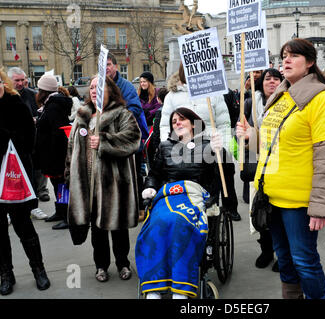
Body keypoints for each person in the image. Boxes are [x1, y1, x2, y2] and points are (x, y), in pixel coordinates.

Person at [237, 38, 325, 299]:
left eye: (294, 55)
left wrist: (320, 207)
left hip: (299, 201)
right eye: (284, 55)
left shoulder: (322, 99)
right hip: (271, 196)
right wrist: (251, 135)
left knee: (305, 262)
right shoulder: (280, 95)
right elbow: (271, 143)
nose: (286, 59)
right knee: (284, 262)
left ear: (310, 63)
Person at [136, 107, 221, 299]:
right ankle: (154, 287)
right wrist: (149, 188)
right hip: (168, 195)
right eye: (174, 121)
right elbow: (155, 175)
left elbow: (216, 179)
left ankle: (181, 288)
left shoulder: (207, 145)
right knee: (157, 223)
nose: (178, 124)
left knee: (180, 223)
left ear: (193, 123)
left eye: (182, 120)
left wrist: (219, 153)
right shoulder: (165, 146)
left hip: (194, 194)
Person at [65, 76, 141, 283]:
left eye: (98, 87)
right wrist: (69, 175)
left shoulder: (122, 114)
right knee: (96, 230)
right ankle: (101, 265)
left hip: (114, 184)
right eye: (91, 87)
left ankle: (123, 263)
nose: (93, 90)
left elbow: (134, 139)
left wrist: (106, 141)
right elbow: (71, 148)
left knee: (118, 227)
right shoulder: (82, 115)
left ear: (111, 90)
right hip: (88, 183)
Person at [159, 64, 240, 221]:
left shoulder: (213, 94)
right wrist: (167, 148)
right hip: (182, 146)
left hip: (211, 143)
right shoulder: (172, 96)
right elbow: (165, 125)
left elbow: (223, 122)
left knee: (224, 174)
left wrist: (223, 146)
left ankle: (229, 207)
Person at [0, 68, 51, 295]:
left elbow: (29, 140)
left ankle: (39, 269)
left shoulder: (16, 104)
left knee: (24, 226)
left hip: (15, 176)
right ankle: (6, 274)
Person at [241, 68, 283, 271]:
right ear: (262, 82)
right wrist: (244, 136)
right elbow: (240, 133)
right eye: (268, 78)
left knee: (277, 211)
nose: (272, 82)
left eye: (277, 78)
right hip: (256, 163)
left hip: (280, 163)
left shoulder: (287, 102)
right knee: (260, 209)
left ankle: (281, 252)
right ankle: (266, 250)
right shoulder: (250, 103)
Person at [106, 53, 148, 224]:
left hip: (129, 140)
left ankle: (139, 206)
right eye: (103, 65)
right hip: (110, 141)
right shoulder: (100, 86)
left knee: (135, 174)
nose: (106, 68)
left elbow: (136, 109)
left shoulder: (127, 87)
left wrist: (116, 117)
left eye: (109, 64)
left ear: (115, 66)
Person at [7, 67, 49, 220]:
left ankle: (33, 206)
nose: (20, 83)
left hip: (29, 143)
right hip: (9, 146)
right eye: (16, 80)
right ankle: (9, 210)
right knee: (10, 179)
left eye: (22, 80)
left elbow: (42, 112)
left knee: (31, 175)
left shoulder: (32, 95)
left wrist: (35, 120)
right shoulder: (6, 97)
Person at [35, 74, 72, 230]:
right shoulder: (51, 104)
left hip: (55, 154)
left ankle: (66, 216)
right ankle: (59, 212)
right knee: (57, 184)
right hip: (52, 153)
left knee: (61, 185)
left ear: (44, 90)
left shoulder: (54, 106)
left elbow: (56, 131)